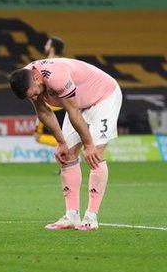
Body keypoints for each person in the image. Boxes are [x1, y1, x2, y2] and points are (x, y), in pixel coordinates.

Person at [9, 58, 122, 231]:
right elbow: (44, 112)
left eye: (34, 93)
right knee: (66, 154)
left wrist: (89, 145)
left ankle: (91, 217)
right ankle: (71, 216)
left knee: (95, 154)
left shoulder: (57, 78)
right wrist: (61, 142)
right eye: (30, 97)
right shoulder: (26, 78)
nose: (35, 97)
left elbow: (73, 111)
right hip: (78, 104)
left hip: (103, 97)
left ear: (37, 79)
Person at [35, 36, 66, 147]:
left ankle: (64, 147)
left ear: (52, 48)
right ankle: (66, 148)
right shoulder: (65, 64)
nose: (45, 46)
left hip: (50, 108)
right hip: (65, 108)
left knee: (38, 137)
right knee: (64, 137)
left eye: (47, 44)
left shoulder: (43, 65)